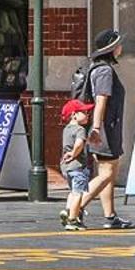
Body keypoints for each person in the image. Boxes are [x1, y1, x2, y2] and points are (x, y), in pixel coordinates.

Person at [64, 29, 134, 229]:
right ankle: (73, 210)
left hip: (102, 127)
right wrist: (96, 127)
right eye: (118, 44)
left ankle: (110, 216)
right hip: (104, 129)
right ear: (111, 48)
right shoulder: (104, 71)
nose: (121, 48)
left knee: (106, 172)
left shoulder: (97, 68)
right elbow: (101, 100)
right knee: (107, 173)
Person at [57, 98, 94, 230]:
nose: (88, 114)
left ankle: (67, 211)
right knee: (78, 193)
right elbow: (78, 144)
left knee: (72, 192)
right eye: (84, 112)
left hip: (66, 167)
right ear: (74, 115)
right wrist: (74, 153)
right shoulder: (80, 129)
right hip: (77, 166)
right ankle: (72, 220)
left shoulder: (66, 129)